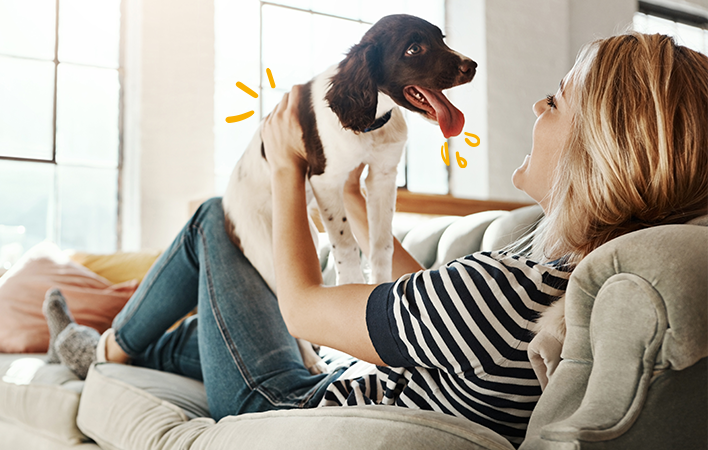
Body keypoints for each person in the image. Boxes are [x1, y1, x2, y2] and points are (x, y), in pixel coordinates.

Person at [42, 32, 708, 446]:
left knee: (214, 222)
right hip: (336, 377)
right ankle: (110, 344)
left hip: (284, 401)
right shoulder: (553, 270)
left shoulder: (505, 293)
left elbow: (303, 308)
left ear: (602, 149)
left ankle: (108, 347)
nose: (538, 107)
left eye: (556, 101)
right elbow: (432, 305)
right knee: (203, 330)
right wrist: (356, 197)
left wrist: (287, 165)